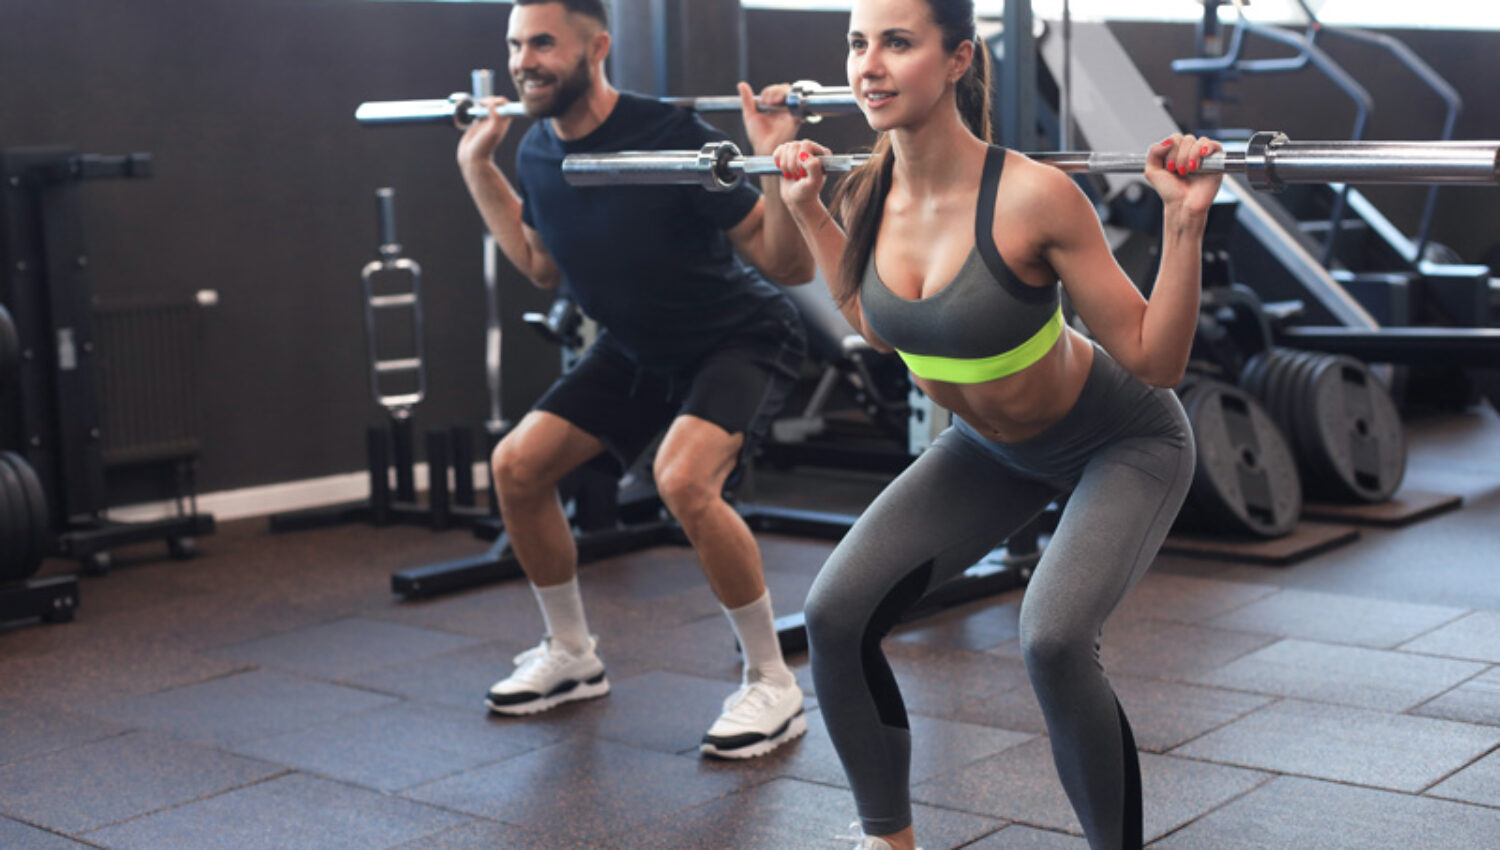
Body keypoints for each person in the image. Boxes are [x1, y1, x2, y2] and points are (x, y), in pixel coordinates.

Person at [768, 0, 1221, 845]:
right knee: (835, 616)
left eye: (897, 43)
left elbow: (1155, 361)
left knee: (1051, 639)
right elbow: (875, 321)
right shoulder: (867, 188)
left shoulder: (1033, 196)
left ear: (956, 61)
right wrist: (807, 211)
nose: (868, 64)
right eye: (858, 43)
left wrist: (1184, 221)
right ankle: (888, 838)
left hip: (1121, 441)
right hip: (987, 451)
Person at [457, 0, 817, 760]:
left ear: (597, 47)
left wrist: (773, 168)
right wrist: (476, 165)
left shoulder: (676, 135)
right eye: (517, 44)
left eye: (544, 43)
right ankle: (572, 654)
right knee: (518, 468)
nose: (526, 60)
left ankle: (773, 682)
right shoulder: (534, 153)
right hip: (638, 345)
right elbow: (539, 265)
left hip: (739, 334)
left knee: (682, 480)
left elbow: (789, 267)